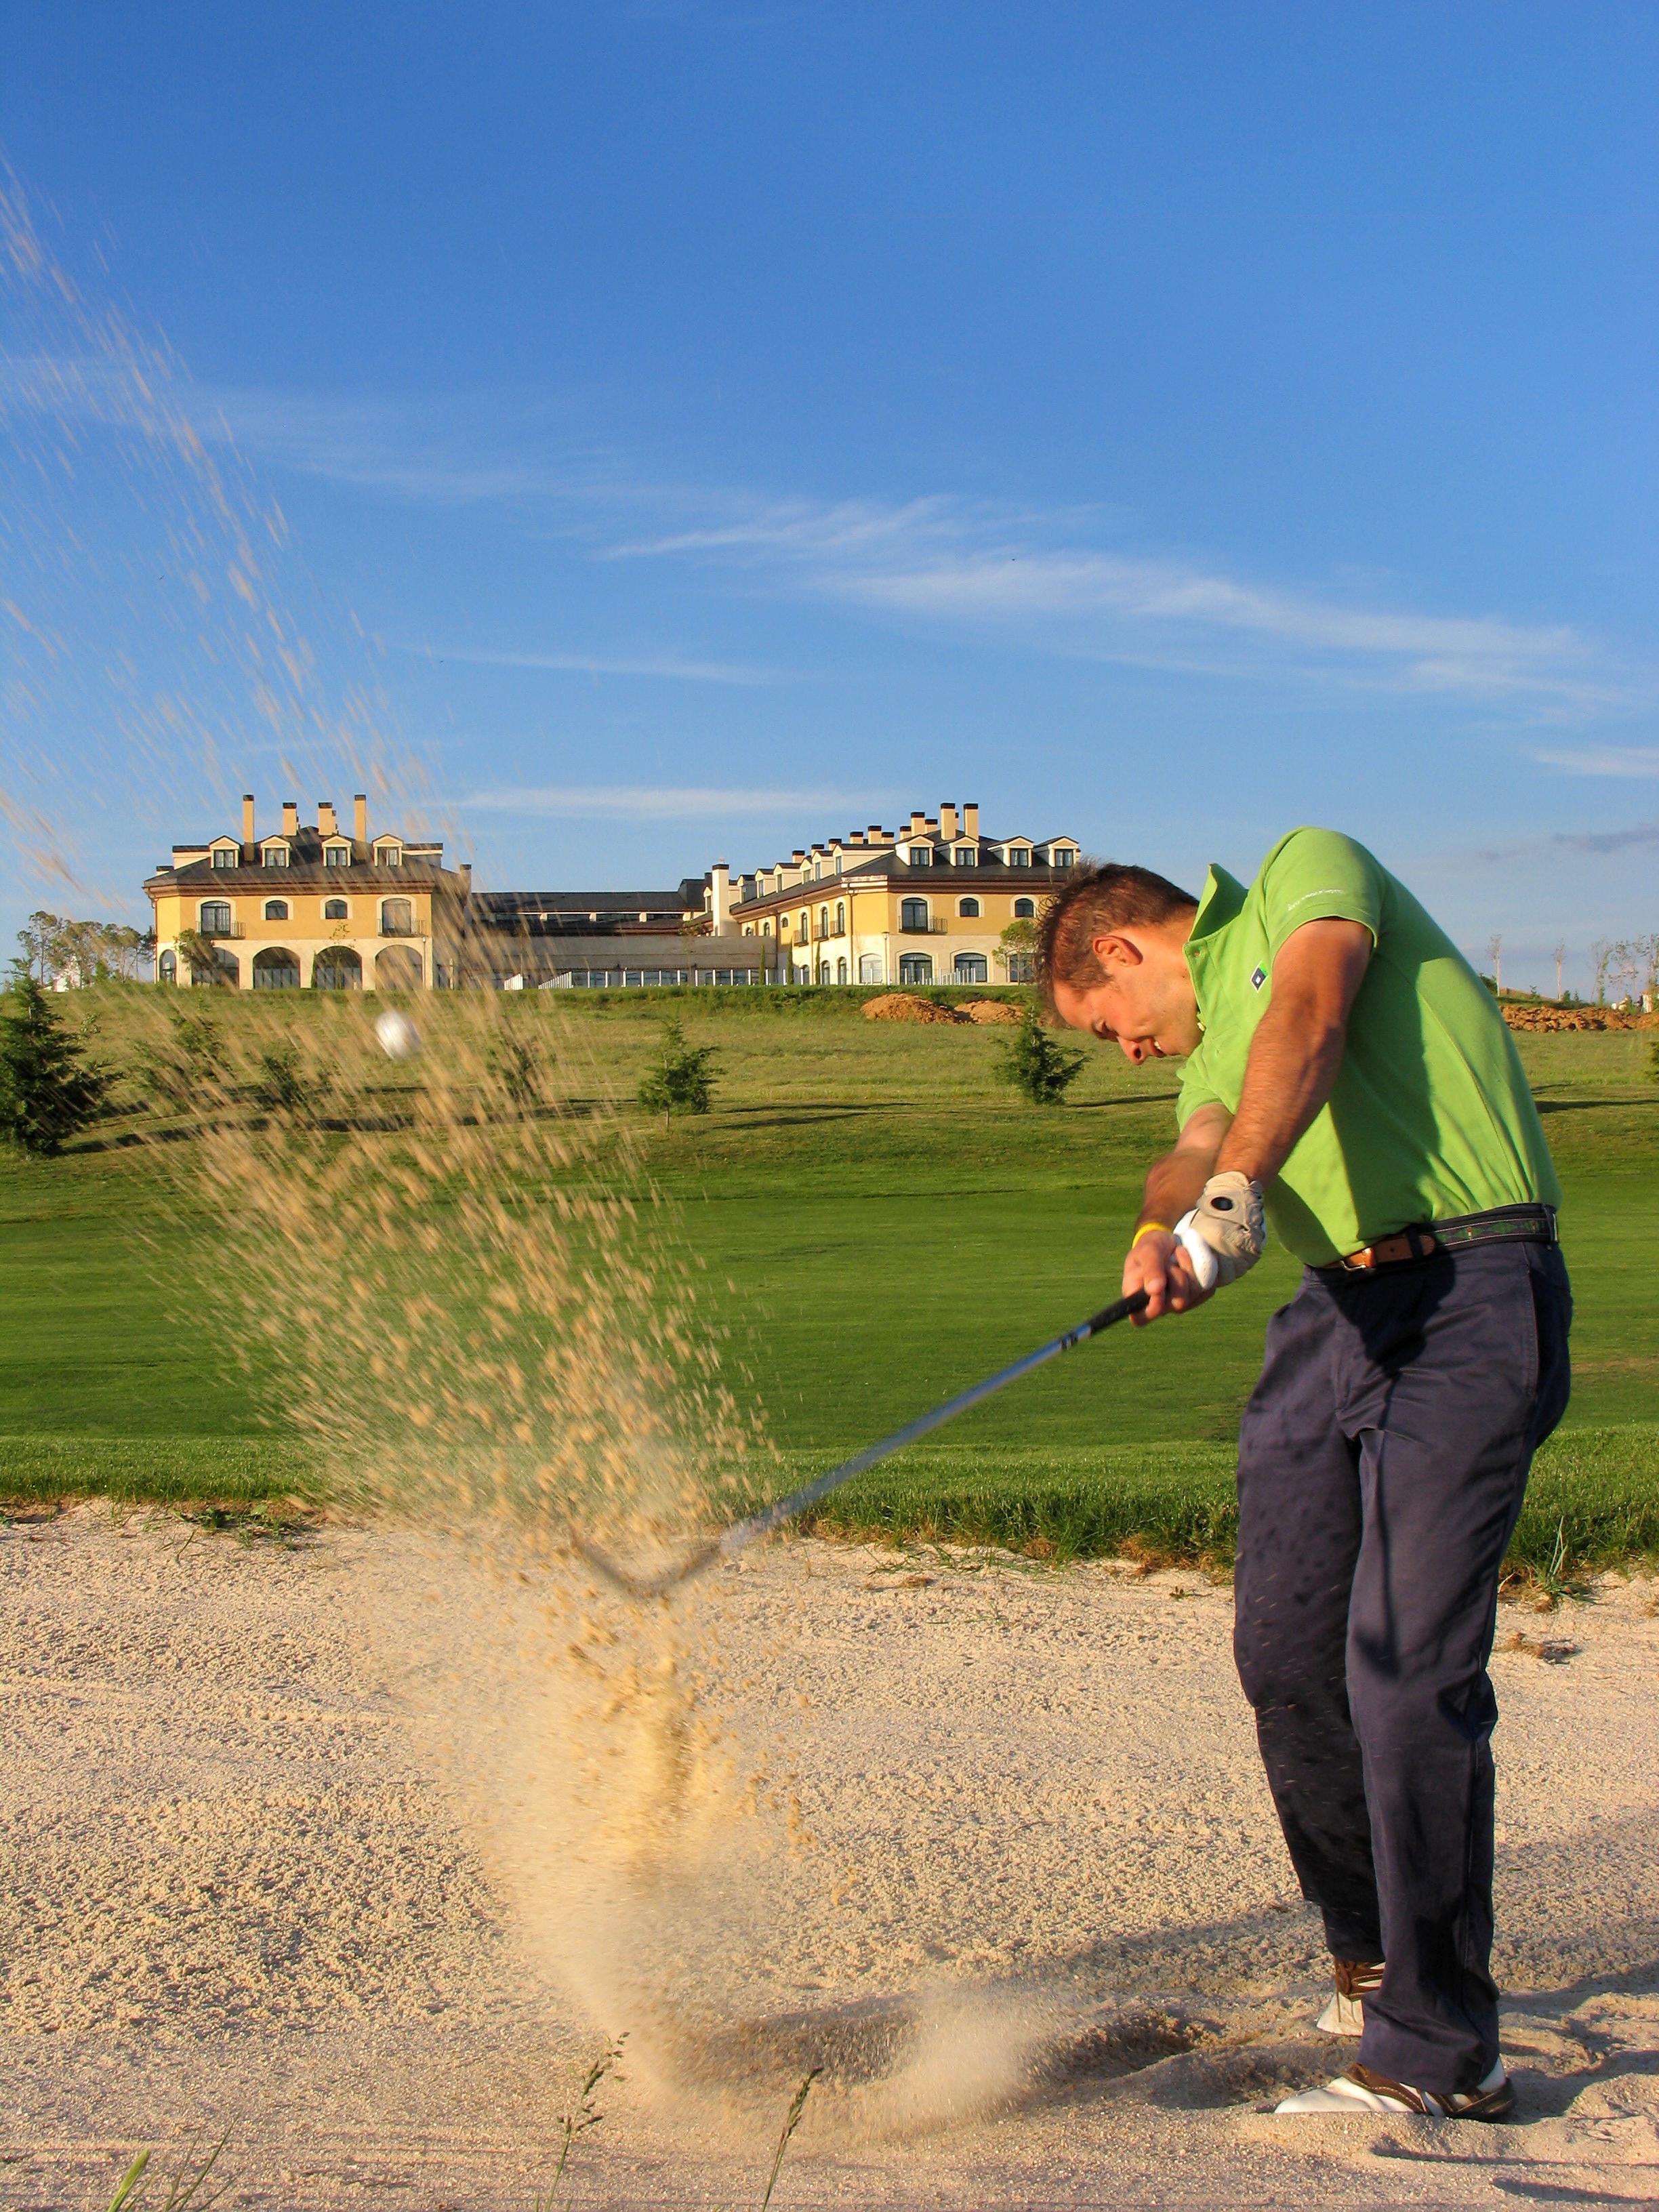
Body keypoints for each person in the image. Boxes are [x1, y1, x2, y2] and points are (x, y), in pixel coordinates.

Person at [1041, 827, 1571, 2122]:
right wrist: (1165, 1219)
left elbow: (1316, 1010)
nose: (1126, 1049)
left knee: (1405, 1672)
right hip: (1336, 1313)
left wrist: (1233, 1196)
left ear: (1122, 948)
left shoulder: (1302, 877)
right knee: (1286, 1652)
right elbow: (1198, 1138)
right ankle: (1376, 1956)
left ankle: (1444, 2053)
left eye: (1106, 1023)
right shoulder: (1216, 1041)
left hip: (1468, 1287)